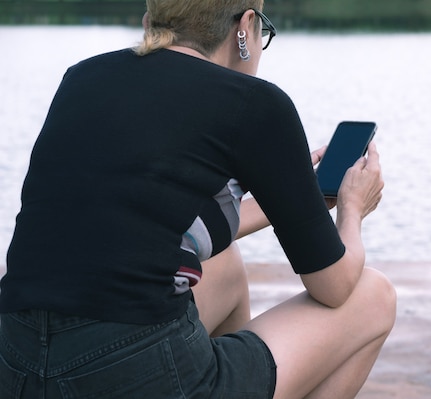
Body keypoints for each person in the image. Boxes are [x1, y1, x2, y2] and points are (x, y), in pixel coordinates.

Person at [0, 1, 396, 398]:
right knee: (373, 296)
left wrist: (298, 203)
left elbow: (148, 227)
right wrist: (352, 211)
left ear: (150, 18)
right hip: (132, 370)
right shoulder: (254, 101)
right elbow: (336, 286)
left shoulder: (82, 78)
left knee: (224, 267)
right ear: (245, 27)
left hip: (17, 361)